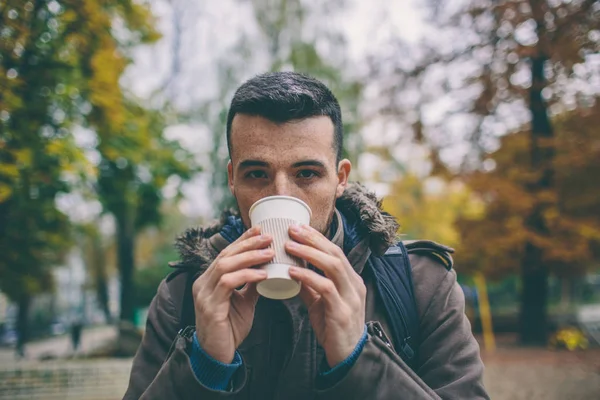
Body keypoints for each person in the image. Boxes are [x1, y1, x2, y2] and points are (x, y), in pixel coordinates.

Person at [123, 72, 489, 399]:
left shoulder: (421, 284)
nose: (281, 194)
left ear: (340, 178)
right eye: (257, 174)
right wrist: (206, 367)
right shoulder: (186, 294)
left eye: (307, 174)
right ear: (232, 178)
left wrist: (359, 361)